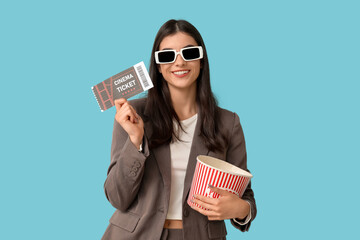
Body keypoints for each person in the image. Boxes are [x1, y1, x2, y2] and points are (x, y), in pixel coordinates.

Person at [101, 19, 256, 240]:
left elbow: (245, 195)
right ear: (159, 67)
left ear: (201, 60)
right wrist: (136, 140)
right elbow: (117, 197)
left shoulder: (228, 122)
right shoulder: (131, 115)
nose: (179, 62)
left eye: (189, 53)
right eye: (167, 56)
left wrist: (240, 210)